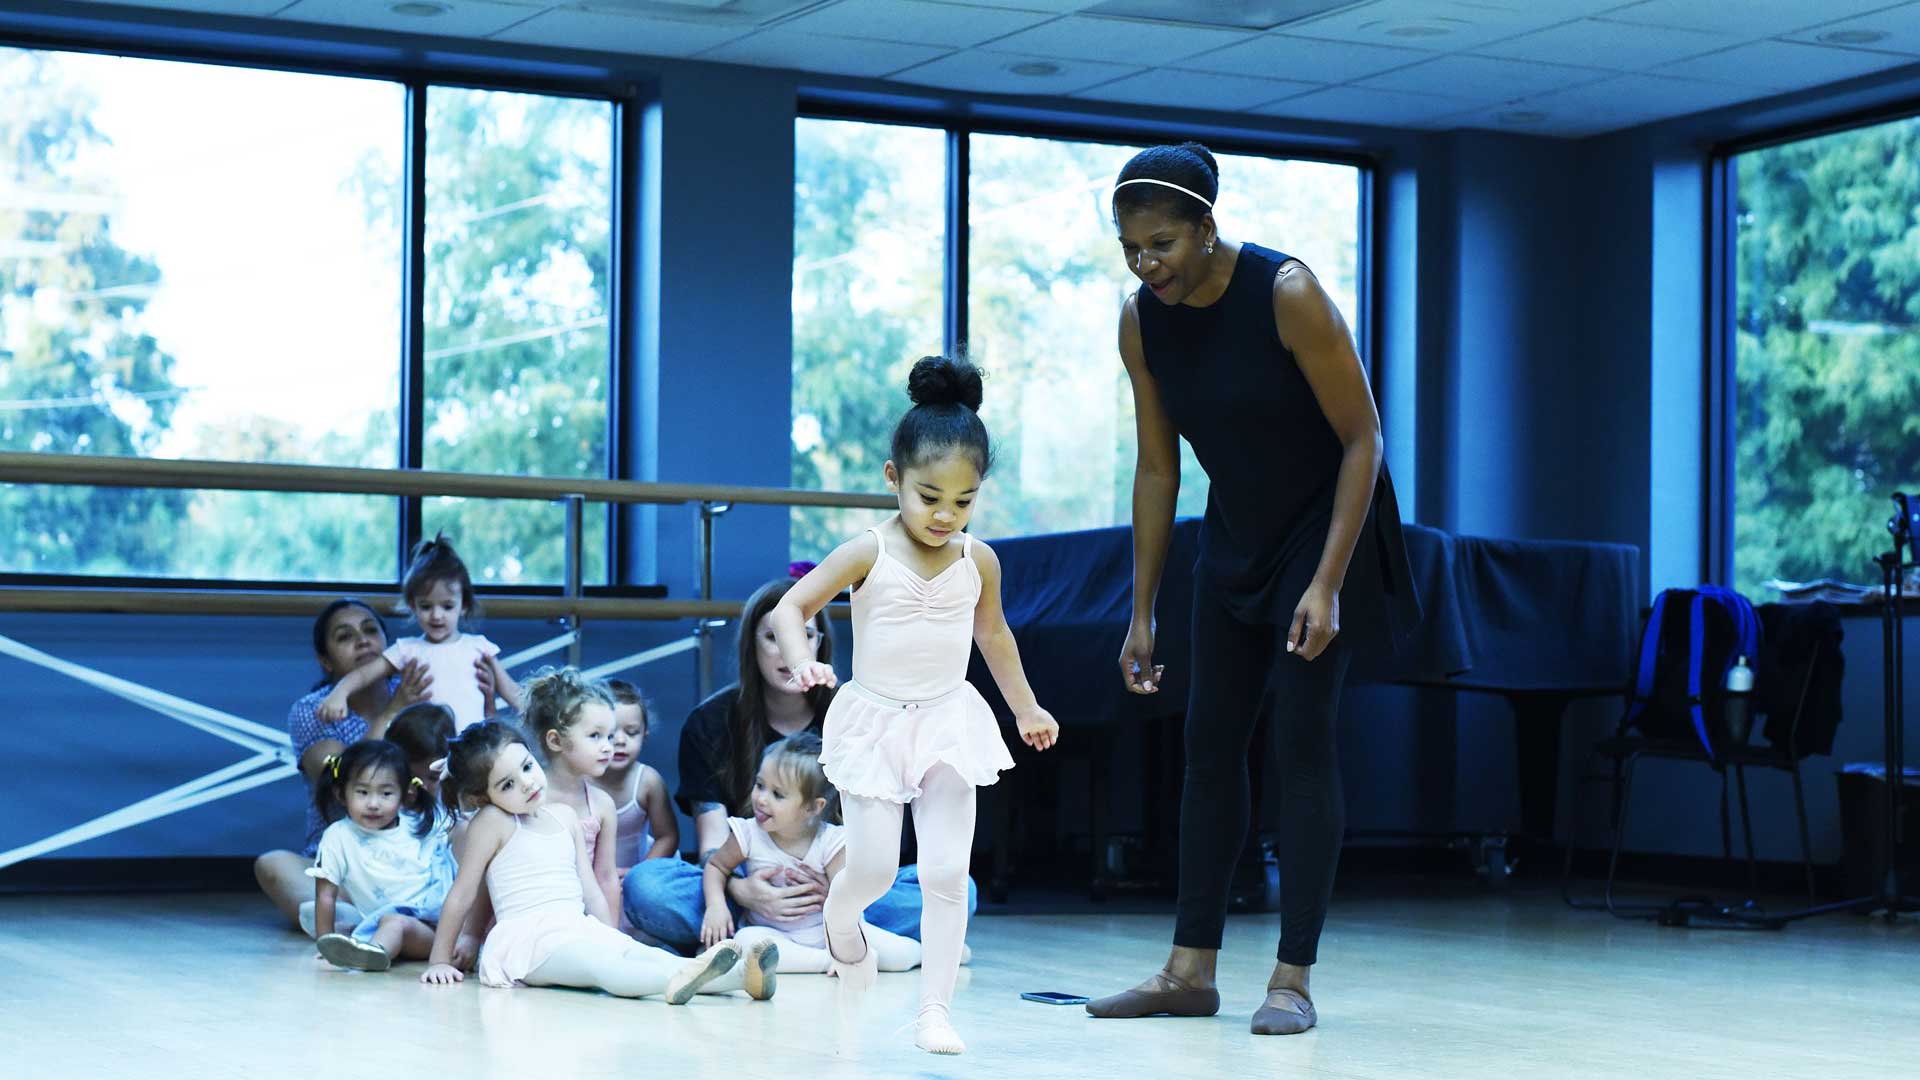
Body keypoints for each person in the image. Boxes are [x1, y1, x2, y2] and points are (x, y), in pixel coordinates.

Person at [1084, 142, 1419, 1036]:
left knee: (1301, 744)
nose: (1146, 264)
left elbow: (1364, 440)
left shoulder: (1287, 293)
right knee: (1206, 745)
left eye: (1161, 244)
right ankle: (1188, 971)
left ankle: (1293, 979)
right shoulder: (1141, 319)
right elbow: (1158, 469)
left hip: (1326, 531)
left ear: (1207, 227)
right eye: (1130, 249)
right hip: (1233, 533)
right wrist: (1143, 609)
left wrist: (1329, 582)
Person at [772, 355, 1060, 1055]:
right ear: (893, 478)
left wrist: (1025, 708)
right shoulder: (868, 551)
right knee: (871, 869)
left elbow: (992, 634)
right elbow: (790, 604)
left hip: (947, 720)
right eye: (929, 496)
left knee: (942, 872)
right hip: (874, 721)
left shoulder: (977, 560)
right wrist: (803, 655)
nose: (944, 515)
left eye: (962, 502)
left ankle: (934, 1009)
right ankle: (844, 924)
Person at [621, 578, 977, 950]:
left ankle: (783, 939)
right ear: (752, 647)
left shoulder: (859, 717)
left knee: (957, 889)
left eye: (805, 635)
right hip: (744, 885)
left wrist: (841, 891)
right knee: (647, 886)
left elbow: (878, 836)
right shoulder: (709, 722)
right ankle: (771, 934)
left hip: (840, 884)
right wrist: (743, 891)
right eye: (774, 637)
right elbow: (713, 843)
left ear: (820, 643)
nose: (791, 651)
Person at [418, 721, 775, 1001]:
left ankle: (740, 976)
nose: (526, 784)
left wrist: (609, 935)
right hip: (528, 942)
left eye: (527, 767)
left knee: (638, 954)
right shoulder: (492, 822)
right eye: (508, 785)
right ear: (484, 797)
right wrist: (439, 959)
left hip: (574, 925)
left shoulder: (563, 817)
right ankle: (684, 978)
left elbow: (589, 889)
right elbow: (462, 895)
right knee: (601, 969)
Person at [255, 599, 429, 934]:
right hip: (344, 861)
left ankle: (382, 921)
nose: (362, 641)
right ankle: (366, 921)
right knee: (272, 864)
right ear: (325, 660)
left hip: (408, 856)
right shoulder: (312, 710)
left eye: (369, 631)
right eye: (344, 637)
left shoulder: (416, 693)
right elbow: (342, 778)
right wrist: (393, 711)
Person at [699, 733, 921, 978]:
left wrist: (846, 945)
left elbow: (850, 900)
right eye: (760, 785)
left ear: (813, 807)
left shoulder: (831, 842)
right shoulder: (748, 834)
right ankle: (824, 962)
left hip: (829, 932)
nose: (761, 799)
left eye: (778, 794)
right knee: (747, 943)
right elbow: (716, 867)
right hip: (772, 933)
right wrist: (716, 906)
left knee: (898, 955)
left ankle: (924, 954)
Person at [320, 534, 520, 731]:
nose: (436, 615)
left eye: (447, 606)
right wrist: (340, 692)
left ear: (464, 605)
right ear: (412, 605)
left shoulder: (479, 646)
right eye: (426, 606)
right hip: (423, 750)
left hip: (471, 748)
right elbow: (364, 675)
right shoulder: (407, 649)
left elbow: (510, 690)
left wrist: (542, 711)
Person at [307, 739, 456, 971]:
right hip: (402, 927)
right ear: (341, 794)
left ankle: (366, 957)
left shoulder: (420, 825)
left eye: (386, 793)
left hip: (442, 928)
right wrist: (326, 944)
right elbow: (325, 895)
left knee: (393, 923)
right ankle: (368, 953)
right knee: (393, 923)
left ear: (406, 794)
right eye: (362, 792)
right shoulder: (337, 837)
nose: (373, 804)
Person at [522, 668, 622, 922]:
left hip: (582, 919)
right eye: (595, 736)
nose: (608, 746)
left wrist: (613, 940)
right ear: (556, 741)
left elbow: (607, 878)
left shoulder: (602, 805)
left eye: (610, 736)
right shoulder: (524, 798)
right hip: (530, 917)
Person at [595, 679, 678, 871]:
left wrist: (638, 874)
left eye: (631, 733)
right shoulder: (579, 780)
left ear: (644, 735)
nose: (620, 741)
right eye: (609, 734)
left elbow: (668, 836)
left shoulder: (648, 782)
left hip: (639, 873)